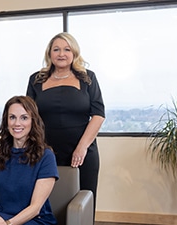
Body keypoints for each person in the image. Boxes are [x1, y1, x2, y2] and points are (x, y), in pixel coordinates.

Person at [26, 32, 105, 214]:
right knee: (48, 203)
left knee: (84, 203)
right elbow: (29, 115)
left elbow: (98, 115)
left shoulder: (87, 78)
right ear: (49, 54)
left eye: (67, 49)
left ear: (74, 53)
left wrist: (82, 148)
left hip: (83, 152)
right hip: (45, 152)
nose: (61, 54)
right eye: (56, 49)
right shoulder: (36, 79)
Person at [0, 96, 58, 225]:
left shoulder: (46, 156)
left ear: (33, 122)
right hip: (1, 218)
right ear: (6, 122)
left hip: (34, 220)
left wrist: (7, 224)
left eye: (24, 118)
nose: (17, 123)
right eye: (12, 117)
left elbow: (35, 208)